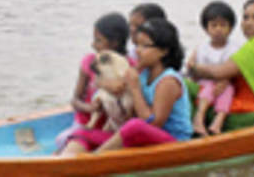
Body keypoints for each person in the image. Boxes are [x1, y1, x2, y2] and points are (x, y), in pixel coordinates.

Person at [61, 18, 193, 155]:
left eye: (145, 46)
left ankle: (94, 160)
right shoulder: (143, 73)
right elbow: (117, 89)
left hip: (173, 141)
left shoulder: (168, 81)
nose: (138, 51)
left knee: (134, 125)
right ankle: (64, 163)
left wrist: (135, 88)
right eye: (137, 45)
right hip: (142, 136)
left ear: (164, 51)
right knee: (81, 133)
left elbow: (152, 123)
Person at [186, 0, 254, 130]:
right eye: (246, 18)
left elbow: (218, 72)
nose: (249, 23)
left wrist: (193, 67)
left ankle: (191, 133)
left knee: (184, 86)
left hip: (251, 114)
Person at [55, 12, 130, 150]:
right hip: (85, 124)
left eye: (98, 40)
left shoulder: (127, 66)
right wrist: (89, 108)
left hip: (111, 130)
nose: (93, 45)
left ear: (115, 43)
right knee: (62, 140)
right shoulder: (90, 62)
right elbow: (75, 99)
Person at [186, 1, 240, 136]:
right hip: (204, 82)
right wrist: (192, 66)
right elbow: (191, 63)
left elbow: (232, 69)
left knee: (228, 90)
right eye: (214, 25)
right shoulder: (202, 46)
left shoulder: (233, 48)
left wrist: (226, 81)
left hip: (224, 83)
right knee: (210, 85)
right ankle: (199, 117)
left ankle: (218, 121)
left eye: (223, 25)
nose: (218, 29)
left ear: (231, 28)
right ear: (206, 28)